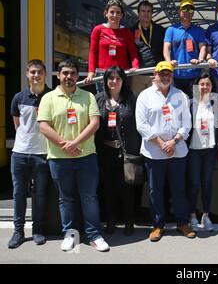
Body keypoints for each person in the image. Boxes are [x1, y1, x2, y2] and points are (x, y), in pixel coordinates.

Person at [38, 60, 109, 252]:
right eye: (65, 73)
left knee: (89, 197)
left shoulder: (88, 97)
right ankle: (70, 234)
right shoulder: (49, 98)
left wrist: (75, 144)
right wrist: (65, 145)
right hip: (59, 159)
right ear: (58, 76)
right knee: (66, 198)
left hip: (86, 156)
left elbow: (94, 123)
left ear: (78, 76)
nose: (69, 77)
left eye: (72, 73)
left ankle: (94, 235)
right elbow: (43, 126)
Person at [135, 61, 195, 242]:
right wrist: (162, 143)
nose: (165, 77)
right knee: (155, 190)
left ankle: (182, 223)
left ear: (172, 75)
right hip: (154, 152)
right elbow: (142, 125)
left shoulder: (181, 96)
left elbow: (187, 123)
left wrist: (174, 141)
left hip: (177, 150)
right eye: (162, 73)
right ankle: (157, 225)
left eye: (168, 73)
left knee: (179, 189)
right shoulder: (145, 96)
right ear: (155, 74)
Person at [8, 59, 52, 249]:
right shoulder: (18, 98)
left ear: (45, 74)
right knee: (18, 194)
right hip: (19, 154)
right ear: (27, 74)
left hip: (42, 154)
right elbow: (18, 126)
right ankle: (18, 231)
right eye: (32, 72)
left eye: (39, 72)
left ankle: (38, 230)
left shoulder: (51, 97)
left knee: (40, 194)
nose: (36, 75)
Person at [95, 66, 141, 236]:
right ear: (106, 81)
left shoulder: (132, 99)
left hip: (126, 152)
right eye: (110, 78)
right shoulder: (99, 99)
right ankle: (111, 220)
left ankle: (129, 221)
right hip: (105, 151)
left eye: (118, 78)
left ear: (123, 81)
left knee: (127, 189)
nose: (114, 81)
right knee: (108, 188)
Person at [187, 73, 218, 231]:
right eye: (202, 84)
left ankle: (206, 216)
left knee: (207, 184)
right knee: (194, 184)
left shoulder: (215, 103)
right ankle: (192, 216)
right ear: (197, 86)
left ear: (212, 87)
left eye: (208, 84)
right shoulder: (190, 104)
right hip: (193, 150)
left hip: (210, 150)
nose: (205, 87)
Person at [85, 0, 139, 92]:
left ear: (121, 15)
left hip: (121, 73)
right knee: (103, 102)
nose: (115, 15)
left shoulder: (126, 32)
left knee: (122, 102)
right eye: (112, 12)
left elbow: (132, 52)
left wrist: (135, 66)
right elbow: (93, 52)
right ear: (106, 13)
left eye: (118, 13)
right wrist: (91, 72)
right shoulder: (98, 29)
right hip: (103, 73)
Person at [163, 0, 207, 97]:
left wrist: (199, 60)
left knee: (194, 106)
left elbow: (203, 47)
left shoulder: (199, 30)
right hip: (176, 75)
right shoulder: (171, 30)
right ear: (179, 12)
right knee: (176, 106)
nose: (187, 12)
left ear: (193, 13)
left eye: (190, 10)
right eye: (185, 9)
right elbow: (166, 48)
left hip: (194, 76)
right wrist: (168, 62)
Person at [130, 0, 166, 93]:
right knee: (138, 102)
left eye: (149, 11)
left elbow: (166, 50)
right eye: (143, 11)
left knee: (157, 102)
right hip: (138, 74)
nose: (146, 14)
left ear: (152, 13)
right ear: (138, 13)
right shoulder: (131, 31)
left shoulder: (160, 30)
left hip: (156, 74)